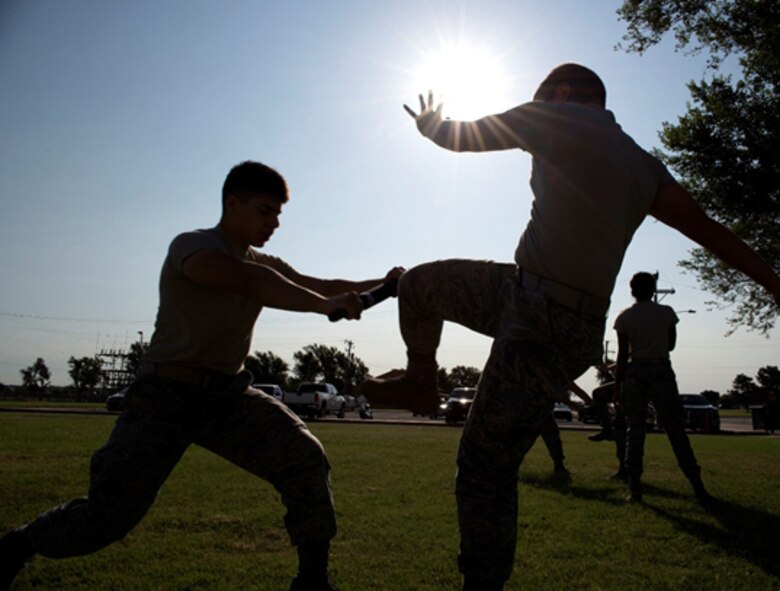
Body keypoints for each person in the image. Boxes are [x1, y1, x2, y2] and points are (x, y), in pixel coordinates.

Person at [358, 63, 780, 590]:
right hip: (552, 311)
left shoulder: (550, 116)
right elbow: (709, 231)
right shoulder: (644, 167)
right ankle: (421, 376)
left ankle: (481, 583)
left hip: (535, 315)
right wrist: (774, 283)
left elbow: (460, 138)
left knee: (484, 467)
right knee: (419, 286)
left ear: (560, 93)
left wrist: (430, 126)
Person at [0, 160, 403, 591]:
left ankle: (312, 582)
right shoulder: (192, 247)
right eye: (266, 211)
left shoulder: (266, 263)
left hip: (228, 396)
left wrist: (389, 282)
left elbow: (320, 284)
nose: (275, 223)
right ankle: (18, 545)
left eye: (279, 215)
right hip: (164, 396)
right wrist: (325, 306)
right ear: (233, 203)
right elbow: (249, 282)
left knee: (303, 457)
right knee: (107, 517)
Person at [614, 272, 707, 503]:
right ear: (654, 289)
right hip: (662, 370)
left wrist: (618, 386)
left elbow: (623, 354)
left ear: (632, 290)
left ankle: (634, 489)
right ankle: (697, 486)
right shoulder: (666, 313)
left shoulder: (625, 317)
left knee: (635, 431)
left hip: (635, 373)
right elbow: (671, 345)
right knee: (675, 430)